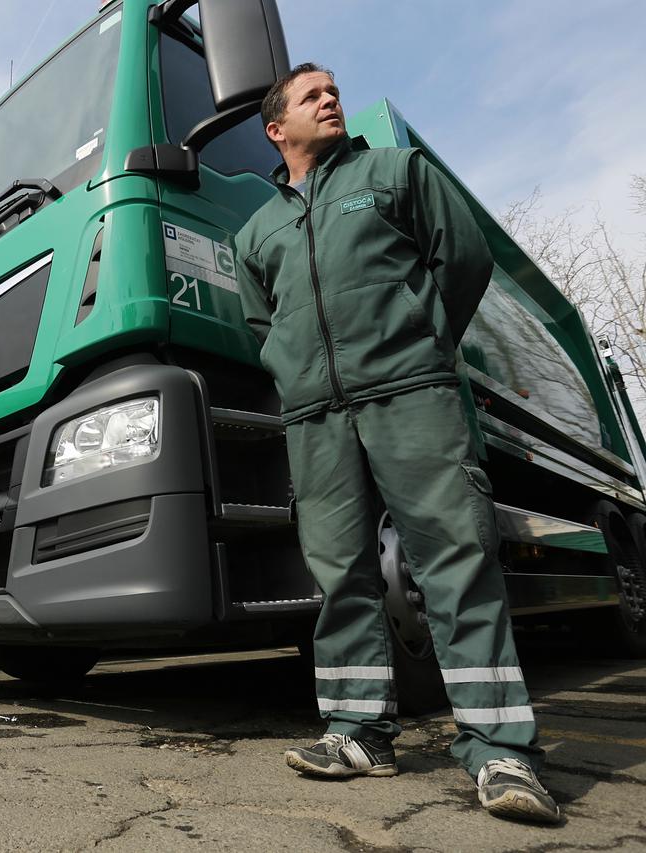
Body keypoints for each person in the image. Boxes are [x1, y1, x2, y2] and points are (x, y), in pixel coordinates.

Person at [234, 64, 559, 824]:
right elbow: (261, 325)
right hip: (317, 416)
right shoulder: (255, 232)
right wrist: (296, 369)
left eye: (332, 90)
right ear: (277, 129)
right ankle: (358, 733)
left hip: (412, 395)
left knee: (454, 555)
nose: (330, 99)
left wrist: (422, 342)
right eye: (311, 94)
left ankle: (501, 749)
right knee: (340, 571)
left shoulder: (394, 172)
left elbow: (465, 257)